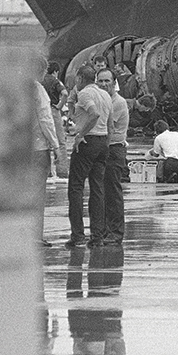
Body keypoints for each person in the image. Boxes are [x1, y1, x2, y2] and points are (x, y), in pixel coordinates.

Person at [67, 65, 113, 248]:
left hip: (88, 142)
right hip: (102, 142)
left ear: (79, 78)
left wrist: (80, 135)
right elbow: (110, 124)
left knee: (76, 188)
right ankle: (97, 236)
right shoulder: (106, 95)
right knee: (97, 189)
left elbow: (94, 114)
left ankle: (77, 235)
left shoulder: (85, 93)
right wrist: (106, 144)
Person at [97, 68, 128, 246]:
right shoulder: (102, 101)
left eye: (107, 81)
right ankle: (103, 231)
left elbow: (104, 127)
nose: (103, 84)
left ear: (113, 83)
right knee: (101, 193)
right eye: (100, 81)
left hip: (114, 149)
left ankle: (115, 232)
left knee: (113, 192)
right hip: (102, 149)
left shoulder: (117, 102)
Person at [32, 62, 60, 246]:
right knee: (37, 194)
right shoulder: (37, 89)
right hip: (38, 149)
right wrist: (55, 144)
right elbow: (45, 119)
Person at [41, 61, 68, 178]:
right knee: (60, 141)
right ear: (56, 72)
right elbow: (65, 93)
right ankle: (61, 170)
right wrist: (60, 106)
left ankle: (47, 172)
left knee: (44, 141)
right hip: (53, 110)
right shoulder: (55, 81)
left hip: (41, 110)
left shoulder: (40, 80)